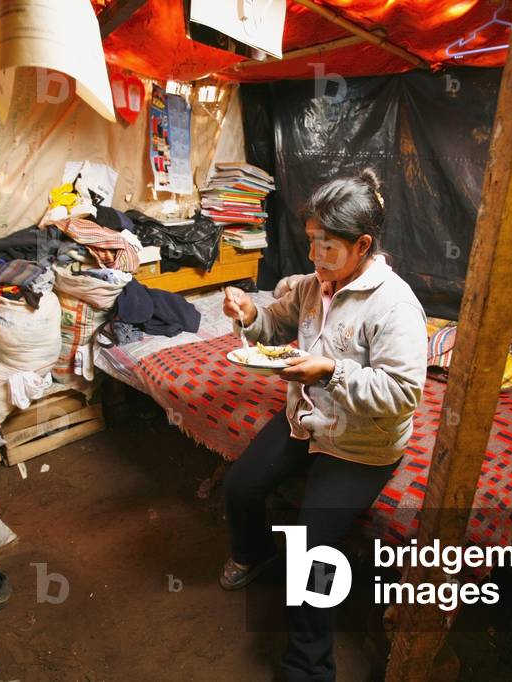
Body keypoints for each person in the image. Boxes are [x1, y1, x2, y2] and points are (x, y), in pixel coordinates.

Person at [220, 169, 428, 681]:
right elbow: (277, 322)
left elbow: (403, 396)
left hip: (361, 442)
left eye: (328, 246)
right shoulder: (316, 286)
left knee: (312, 548)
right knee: (241, 485)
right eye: (311, 242)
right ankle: (254, 553)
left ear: (362, 245)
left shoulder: (396, 306)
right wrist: (250, 313)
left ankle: (307, 668)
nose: (315, 258)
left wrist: (332, 371)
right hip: (307, 419)